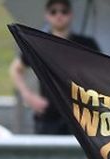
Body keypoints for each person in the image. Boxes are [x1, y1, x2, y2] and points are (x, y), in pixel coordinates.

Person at [9, 0, 100, 135]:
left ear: (71, 14)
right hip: (48, 117)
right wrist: (27, 95)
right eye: (53, 11)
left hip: (80, 115)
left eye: (64, 11)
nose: (59, 15)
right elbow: (15, 69)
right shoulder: (38, 43)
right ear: (47, 15)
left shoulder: (86, 45)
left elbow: (101, 74)